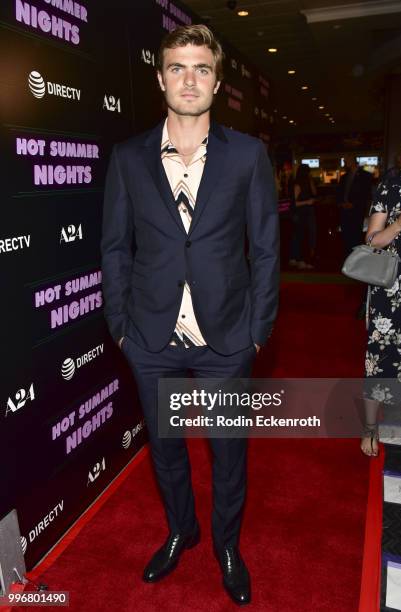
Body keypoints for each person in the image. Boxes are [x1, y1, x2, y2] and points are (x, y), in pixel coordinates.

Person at [100, 25, 279, 605]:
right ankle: (182, 529)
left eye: (202, 68)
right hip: (150, 336)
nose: (190, 79)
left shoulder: (248, 155)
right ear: (161, 78)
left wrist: (256, 332)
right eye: (178, 67)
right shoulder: (128, 158)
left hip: (226, 336)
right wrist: (121, 328)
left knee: (229, 452)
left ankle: (227, 544)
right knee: (167, 448)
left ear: (217, 81)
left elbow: (267, 249)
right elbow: (114, 249)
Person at [361, 148, 401, 457]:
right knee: (380, 363)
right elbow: (371, 239)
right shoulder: (390, 188)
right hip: (390, 294)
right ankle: (369, 428)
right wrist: (399, 223)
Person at [336, 154, 372, 257]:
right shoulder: (344, 177)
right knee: (346, 234)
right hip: (345, 210)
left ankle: (357, 258)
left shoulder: (365, 176)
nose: (345, 163)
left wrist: (354, 204)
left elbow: (366, 194)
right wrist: (342, 203)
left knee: (356, 235)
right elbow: (339, 193)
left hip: (357, 210)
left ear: (353, 161)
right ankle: (347, 257)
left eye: (346, 160)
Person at [288, 163, 317, 269]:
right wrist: (307, 202)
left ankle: (295, 258)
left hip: (305, 212)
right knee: (302, 236)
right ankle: (300, 260)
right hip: (300, 213)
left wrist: (311, 181)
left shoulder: (306, 183)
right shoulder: (297, 184)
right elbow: (294, 203)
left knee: (300, 236)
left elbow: (315, 192)